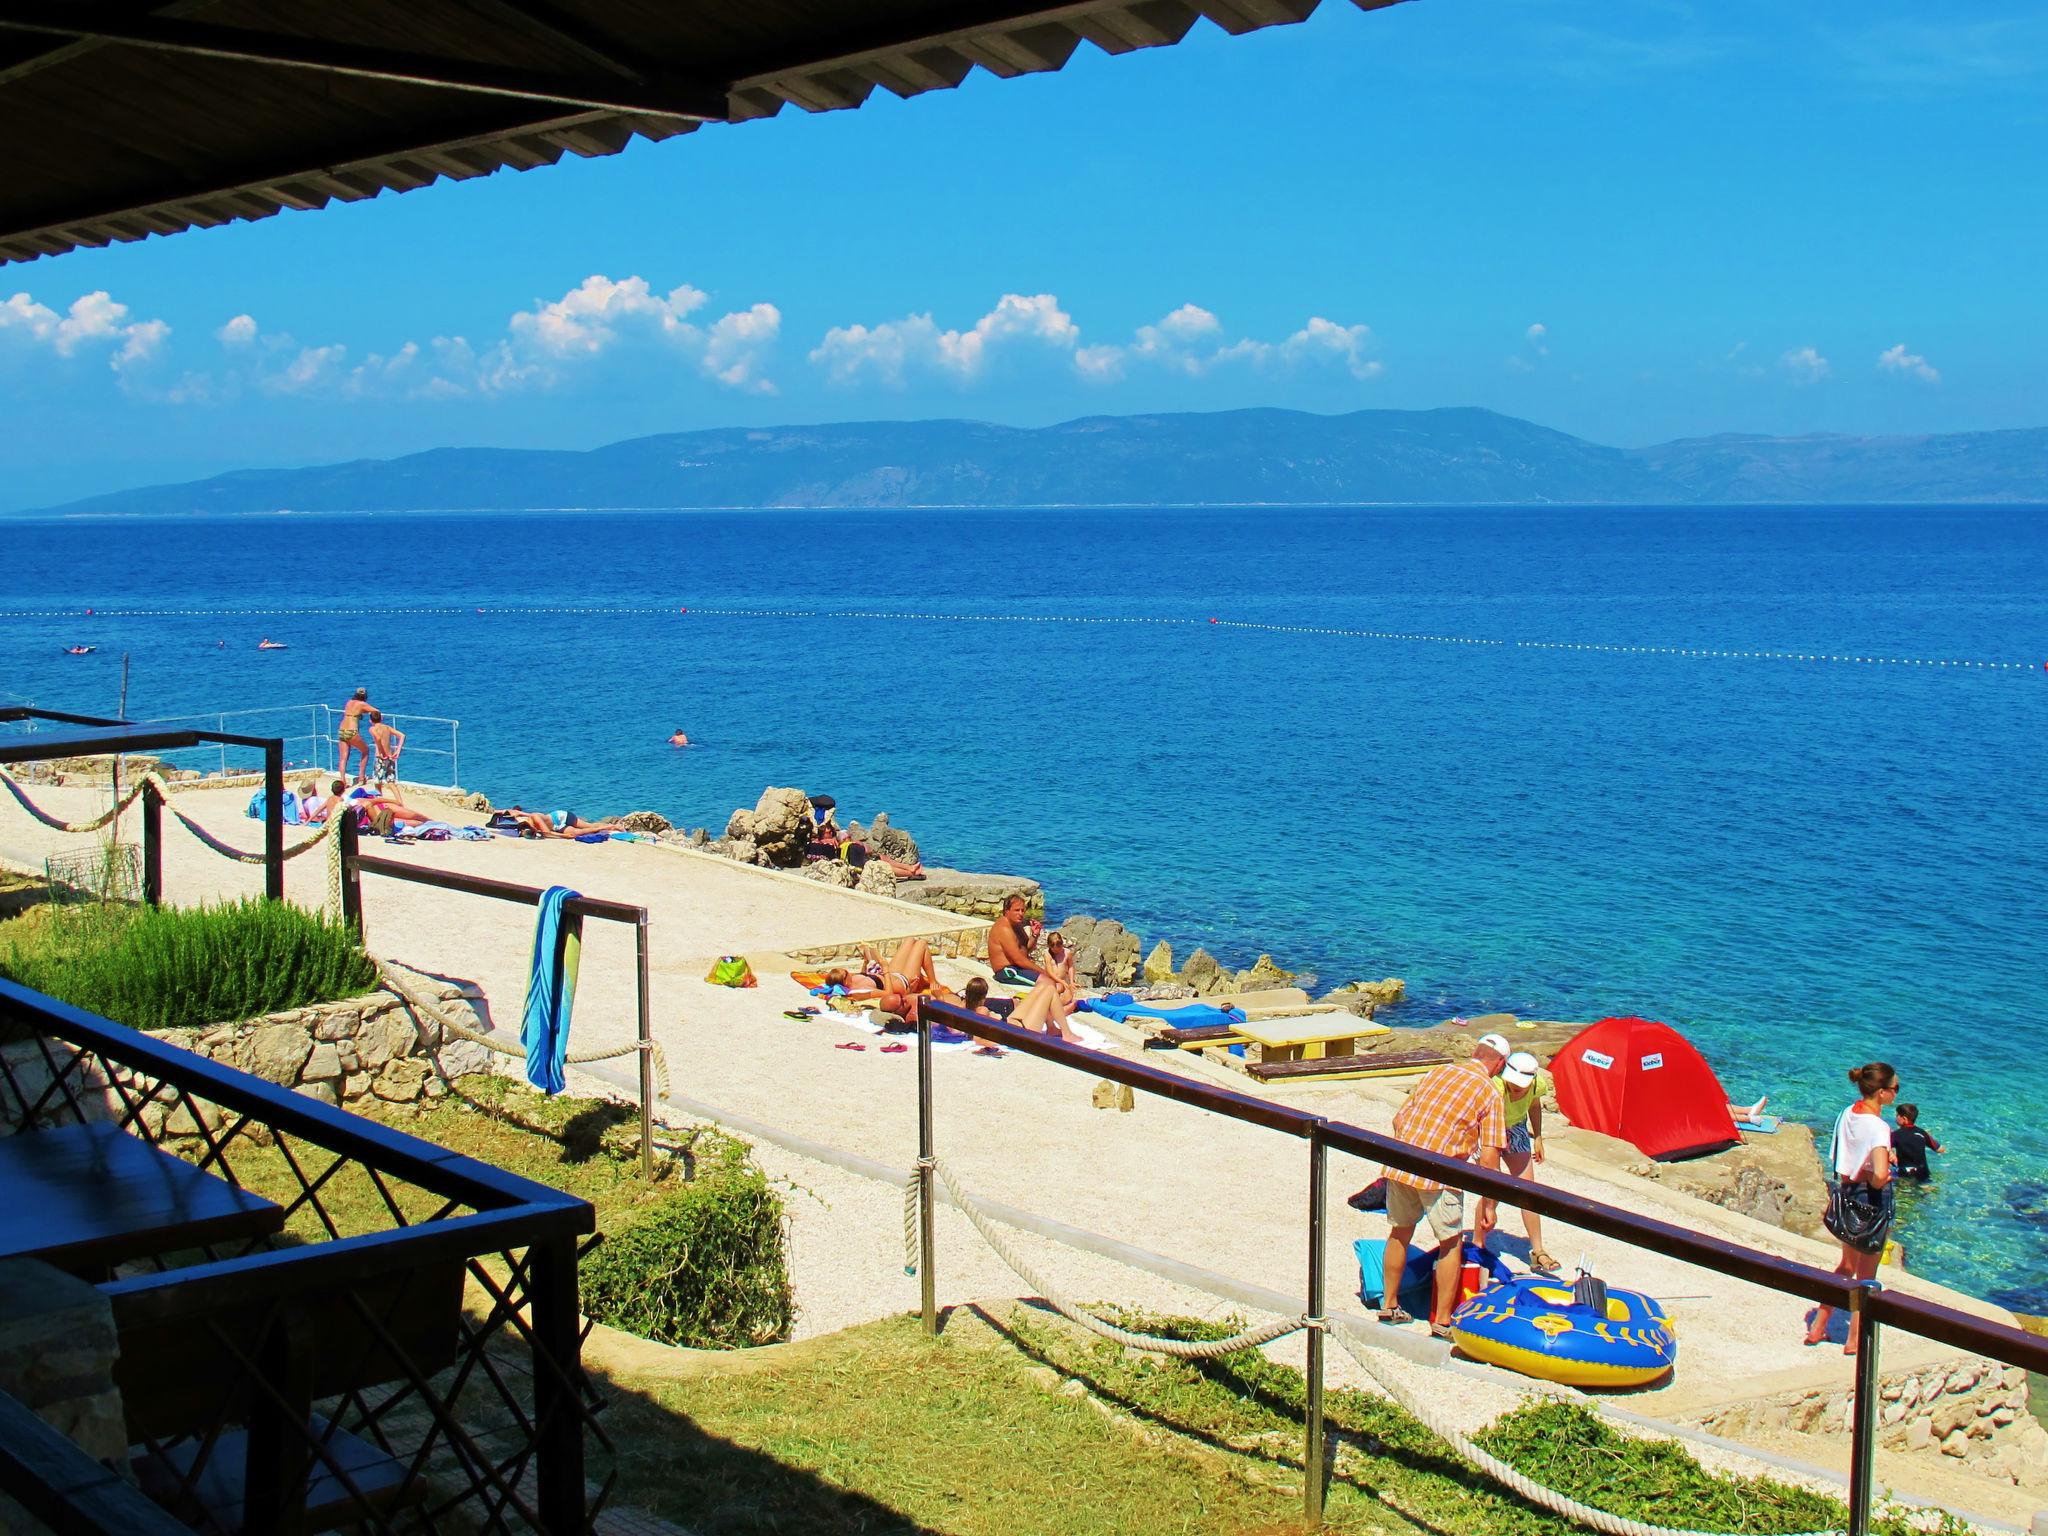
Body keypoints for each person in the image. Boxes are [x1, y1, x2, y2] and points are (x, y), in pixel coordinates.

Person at [1372, 1034, 1509, 1337]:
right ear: (1499, 1064)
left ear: (1475, 1052)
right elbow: (1490, 1156)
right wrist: (1489, 1203)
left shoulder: (1439, 1071)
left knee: (1399, 1232)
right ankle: (1442, 1322)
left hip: (1402, 1161)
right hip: (1440, 1173)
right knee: (1450, 1243)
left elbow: (1399, 1119)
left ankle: (1390, 1304)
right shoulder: (1490, 1093)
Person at [1805, 1062, 1900, 1354]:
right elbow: (1880, 1175)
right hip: (1871, 1200)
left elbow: (1840, 1156)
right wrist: (1885, 1165)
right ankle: (1854, 1340)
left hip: (1846, 1194)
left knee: (1846, 1266)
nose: (1897, 1093)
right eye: (1895, 1088)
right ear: (1882, 1092)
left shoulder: (1847, 1113)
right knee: (1866, 1277)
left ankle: (1818, 1326)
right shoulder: (1880, 1127)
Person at [1486, 1049, 1559, 1273]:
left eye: (1521, 1087)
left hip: (1516, 1127)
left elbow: (1534, 1107)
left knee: (1528, 1191)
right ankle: (1480, 1244)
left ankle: (1537, 1250)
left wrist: (1537, 1136)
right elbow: (1487, 1116)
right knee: (1491, 1188)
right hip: (1489, 1128)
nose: (1517, 1091)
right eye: (1514, 1086)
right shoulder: (1496, 1086)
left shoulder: (1536, 1084)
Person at [986, 894, 1043, 984]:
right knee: (1049, 982)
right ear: (1007, 911)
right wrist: (1045, 973)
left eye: (1023, 910)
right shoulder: (1004, 928)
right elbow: (1019, 960)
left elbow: (1026, 948)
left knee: (1053, 983)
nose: (1021, 914)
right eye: (1017, 910)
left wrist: (1035, 935)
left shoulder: (1016, 924)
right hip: (1008, 971)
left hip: (1018, 968)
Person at [1891, 1102, 1943, 1181]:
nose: (1895, 1117)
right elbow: (1940, 1149)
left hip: (1905, 1174)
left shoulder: (1895, 1135)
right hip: (1924, 1174)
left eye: (1897, 1115)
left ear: (1904, 1119)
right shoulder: (1922, 1133)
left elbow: (1885, 1148)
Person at [337, 688, 375, 785]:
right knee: (365, 751)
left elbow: (354, 711)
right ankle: (361, 778)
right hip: (352, 731)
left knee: (343, 757)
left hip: (342, 730)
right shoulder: (362, 704)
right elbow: (376, 712)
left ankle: (342, 781)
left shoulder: (349, 702)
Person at [368, 713, 405, 786]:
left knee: (377, 781)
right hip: (390, 756)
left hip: (380, 757)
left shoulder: (372, 729)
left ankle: (379, 795)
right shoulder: (387, 727)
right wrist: (398, 750)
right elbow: (402, 736)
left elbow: (378, 738)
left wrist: (381, 751)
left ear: (370, 721)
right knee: (391, 781)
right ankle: (398, 798)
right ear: (382, 718)